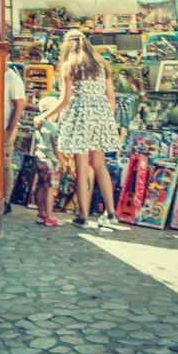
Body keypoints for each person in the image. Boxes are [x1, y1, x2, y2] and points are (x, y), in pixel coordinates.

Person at [47, 29, 120, 228]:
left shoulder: (68, 66)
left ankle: (83, 217)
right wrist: (106, 118)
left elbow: (65, 99)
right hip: (102, 115)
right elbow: (111, 96)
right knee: (99, 164)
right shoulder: (101, 64)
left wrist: (45, 116)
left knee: (81, 166)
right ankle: (111, 213)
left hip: (79, 116)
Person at [31, 95, 64, 226]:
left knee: (41, 186)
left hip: (40, 158)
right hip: (51, 160)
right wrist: (63, 161)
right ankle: (50, 216)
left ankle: (41, 214)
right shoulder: (53, 127)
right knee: (50, 188)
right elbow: (56, 146)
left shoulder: (39, 125)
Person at [4, 55, 25, 214]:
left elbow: (19, 106)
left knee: (4, 165)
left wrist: (9, 130)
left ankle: (6, 200)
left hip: (5, 128)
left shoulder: (12, 78)